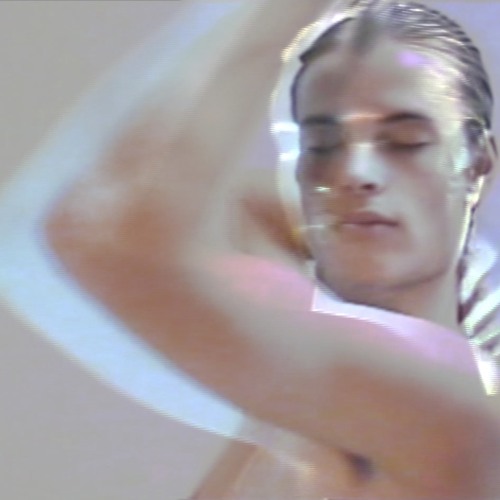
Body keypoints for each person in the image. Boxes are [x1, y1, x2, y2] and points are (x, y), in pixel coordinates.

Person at [45, 0, 500, 498]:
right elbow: (123, 216)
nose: (357, 173)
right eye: (324, 145)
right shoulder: (329, 351)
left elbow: (113, 231)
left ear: (478, 163)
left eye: (405, 141)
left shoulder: (454, 410)